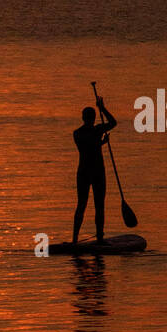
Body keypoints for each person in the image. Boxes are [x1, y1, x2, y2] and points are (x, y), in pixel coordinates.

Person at [72, 97, 117, 244]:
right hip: (92, 172)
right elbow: (90, 145)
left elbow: (113, 124)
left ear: (83, 118)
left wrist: (101, 107)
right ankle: (88, 239)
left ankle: (94, 238)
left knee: (90, 205)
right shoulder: (84, 132)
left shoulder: (80, 132)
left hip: (88, 172)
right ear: (90, 118)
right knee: (91, 205)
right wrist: (102, 108)